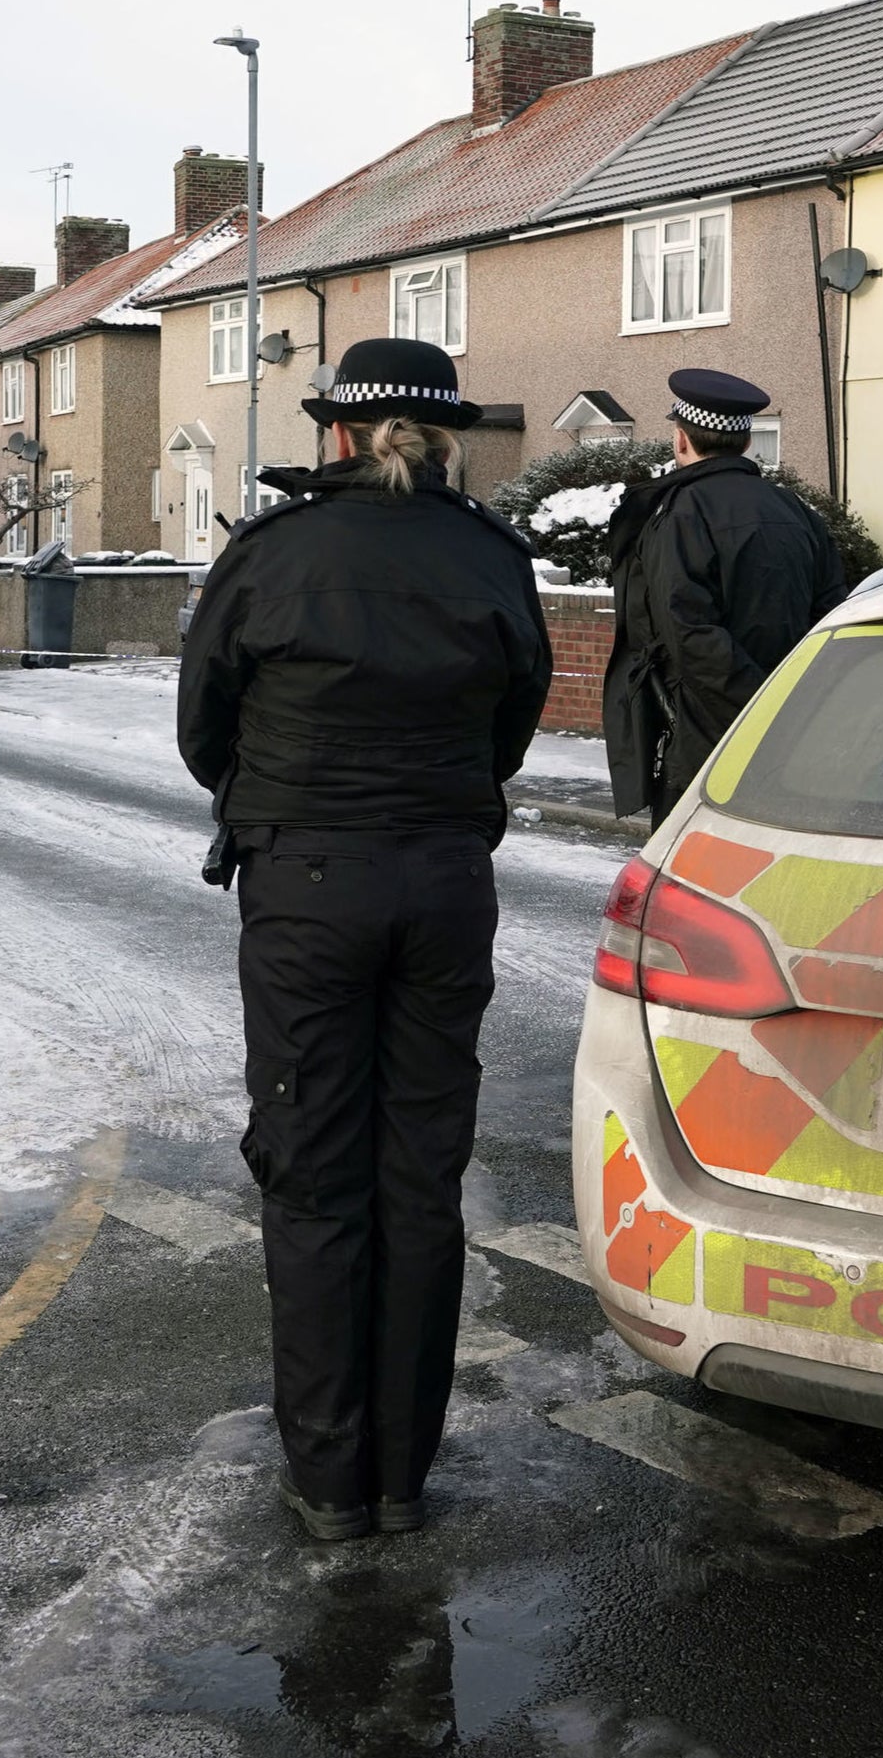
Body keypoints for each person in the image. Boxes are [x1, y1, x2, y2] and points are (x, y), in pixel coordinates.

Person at [177, 336, 552, 1543]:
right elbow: (516, 715)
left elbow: (203, 724)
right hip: (445, 876)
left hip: (306, 881)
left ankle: (330, 1480)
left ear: (337, 434)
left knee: (314, 1171)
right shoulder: (492, 558)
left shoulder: (272, 553)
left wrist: (286, 794)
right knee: (418, 1173)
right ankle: (400, 1475)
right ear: (445, 439)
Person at [602, 368, 849, 823]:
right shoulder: (796, 511)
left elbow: (689, 633)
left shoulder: (680, 513)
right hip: (793, 735)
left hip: (707, 740)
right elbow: (832, 619)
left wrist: (754, 715)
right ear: (745, 442)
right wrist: (786, 710)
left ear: (681, 440)